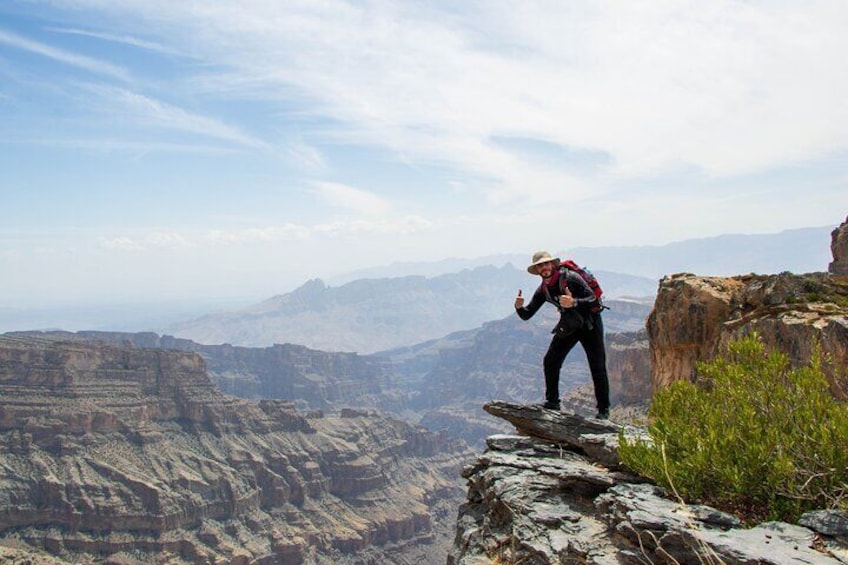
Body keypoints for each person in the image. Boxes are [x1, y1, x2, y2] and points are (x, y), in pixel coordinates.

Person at [514, 250, 611, 419]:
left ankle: (603, 411)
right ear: (537, 270)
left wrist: (574, 302)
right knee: (551, 360)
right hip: (570, 325)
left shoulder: (571, 278)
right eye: (540, 265)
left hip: (591, 324)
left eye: (546, 264)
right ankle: (553, 402)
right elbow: (527, 315)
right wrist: (519, 307)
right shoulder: (543, 290)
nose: (544, 268)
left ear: (552, 264)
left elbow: (593, 300)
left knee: (597, 366)